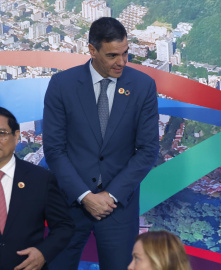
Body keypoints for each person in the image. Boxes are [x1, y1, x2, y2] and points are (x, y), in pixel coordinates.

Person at [43, 17, 159, 270]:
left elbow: (148, 150)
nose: (122, 62)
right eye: (112, 55)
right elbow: (54, 148)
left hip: (117, 208)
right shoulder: (62, 85)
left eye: (126, 53)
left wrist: (110, 195)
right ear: (92, 50)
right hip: (70, 204)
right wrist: (85, 196)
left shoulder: (143, 87)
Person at [0, 107, 74, 270]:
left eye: (2, 133)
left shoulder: (41, 179)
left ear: (16, 136)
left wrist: (43, 253)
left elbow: (64, 226)